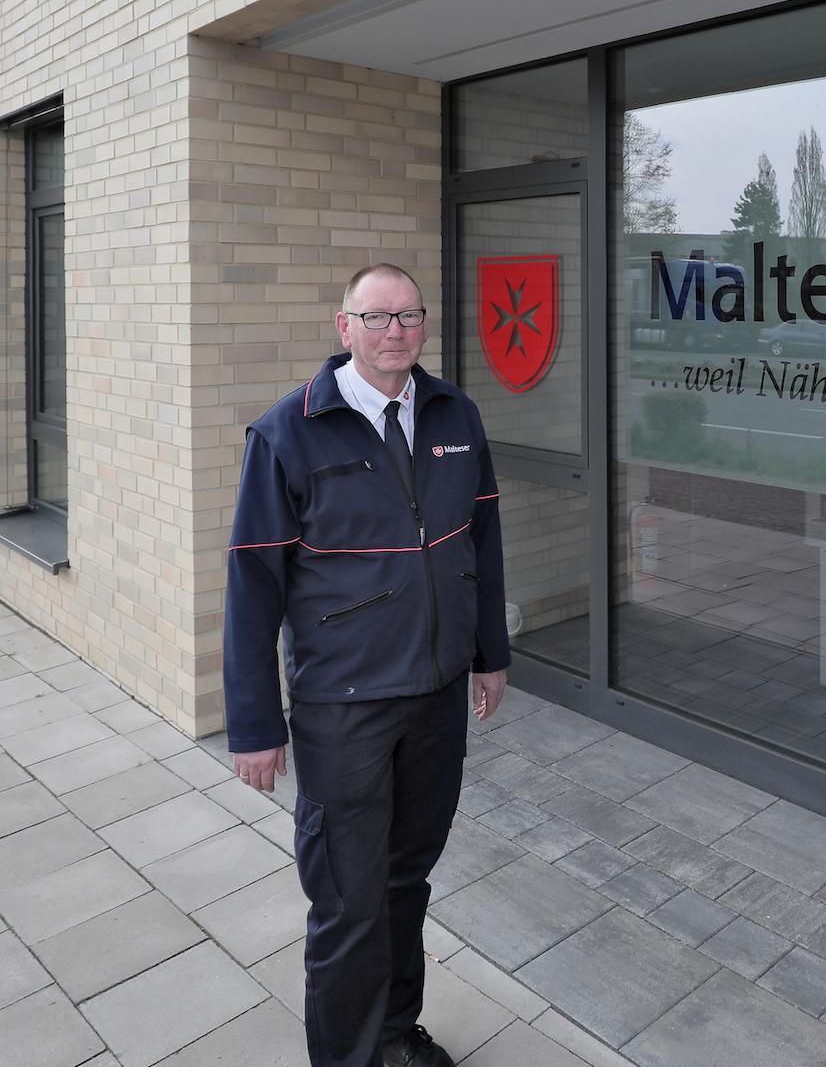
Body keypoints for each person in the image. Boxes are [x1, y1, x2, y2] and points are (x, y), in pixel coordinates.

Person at [223, 263, 511, 1067]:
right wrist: (253, 723)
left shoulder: (456, 413)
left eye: (409, 316)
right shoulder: (287, 433)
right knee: (348, 900)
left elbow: (480, 544)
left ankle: (393, 1032)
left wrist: (489, 654)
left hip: (437, 693)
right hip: (342, 706)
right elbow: (252, 583)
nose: (396, 332)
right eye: (376, 317)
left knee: (406, 878)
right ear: (343, 327)